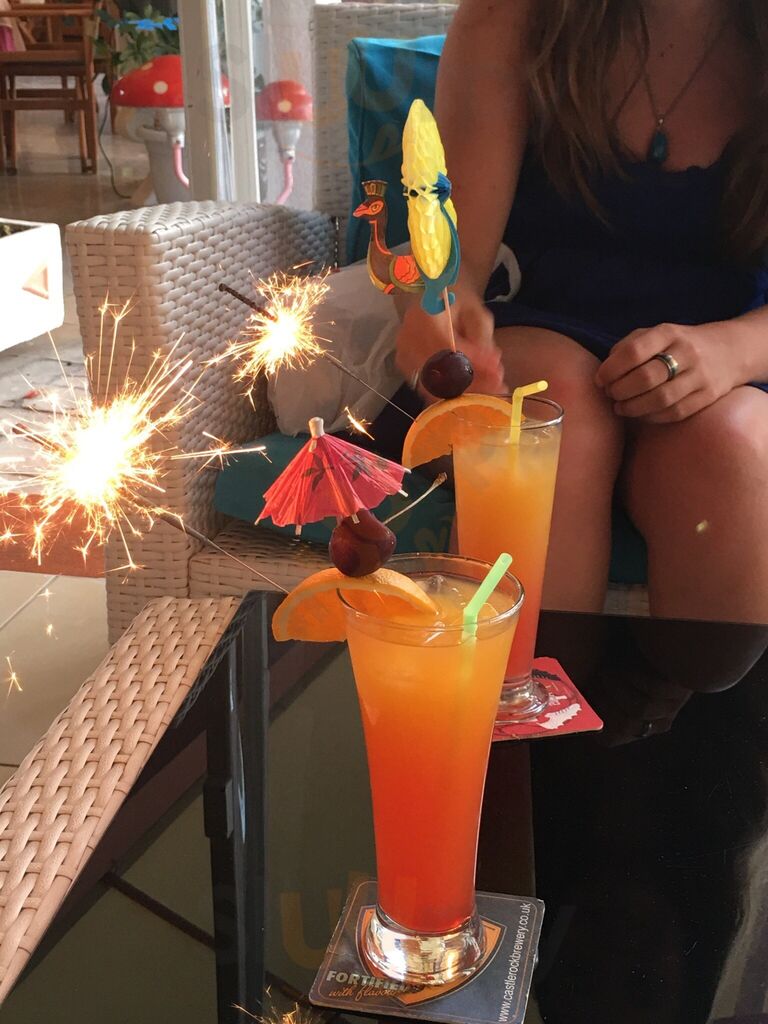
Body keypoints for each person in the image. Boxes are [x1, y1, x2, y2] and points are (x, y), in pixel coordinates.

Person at [393, 0, 768, 624]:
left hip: (738, 361)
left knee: (731, 451)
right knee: (548, 418)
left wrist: (733, 350)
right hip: (539, 335)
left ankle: (673, 693)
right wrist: (436, 319)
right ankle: (520, 684)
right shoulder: (511, 17)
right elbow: (450, 264)